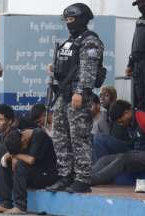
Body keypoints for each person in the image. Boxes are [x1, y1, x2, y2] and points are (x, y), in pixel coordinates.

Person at [46, 3, 104, 193]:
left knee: (79, 137)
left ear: (82, 19)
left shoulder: (90, 41)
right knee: (60, 136)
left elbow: (88, 69)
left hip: (78, 95)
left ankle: (82, 178)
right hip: (64, 94)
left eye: (72, 20)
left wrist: (80, 91)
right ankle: (66, 175)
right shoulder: (70, 41)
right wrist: (54, 69)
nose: (69, 23)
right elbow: (68, 65)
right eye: (67, 20)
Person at [91, 100, 145, 185]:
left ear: (127, 112)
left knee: (123, 158)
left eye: (121, 121)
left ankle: (95, 179)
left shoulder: (144, 119)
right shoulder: (129, 121)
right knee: (105, 159)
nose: (121, 124)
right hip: (136, 152)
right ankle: (86, 176)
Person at [0, 128, 58, 214]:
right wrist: (10, 157)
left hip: (47, 175)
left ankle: (20, 206)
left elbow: (31, 160)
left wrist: (15, 155)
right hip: (33, 174)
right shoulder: (21, 137)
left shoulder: (39, 135)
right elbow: (9, 156)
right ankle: (6, 203)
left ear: (23, 140)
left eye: (20, 148)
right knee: (5, 164)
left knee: (20, 165)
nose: (20, 150)